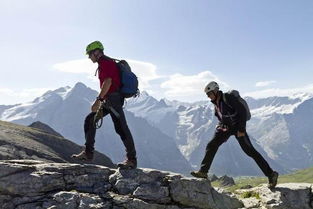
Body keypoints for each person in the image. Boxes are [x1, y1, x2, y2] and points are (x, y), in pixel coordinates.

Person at [191, 81, 278, 189]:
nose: (208, 97)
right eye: (207, 95)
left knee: (250, 151)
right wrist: (220, 125)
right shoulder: (216, 104)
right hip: (225, 128)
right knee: (211, 145)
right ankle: (203, 172)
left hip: (238, 128)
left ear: (215, 91)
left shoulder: (227, 98)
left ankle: (271, 174)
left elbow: (241, 112)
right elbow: (221, 117)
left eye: (209, 94)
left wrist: (241, 129)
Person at [72, 41, 137, 169]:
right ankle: (88, 153)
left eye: (90, 54)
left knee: (122, 128)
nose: (89, 57)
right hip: (110, 100)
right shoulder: (104, 63)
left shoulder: (106, 63)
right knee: (90, 119)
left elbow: (108, 82)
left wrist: (98, 100)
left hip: (113, 100)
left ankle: (132, 160)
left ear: (96, 52)